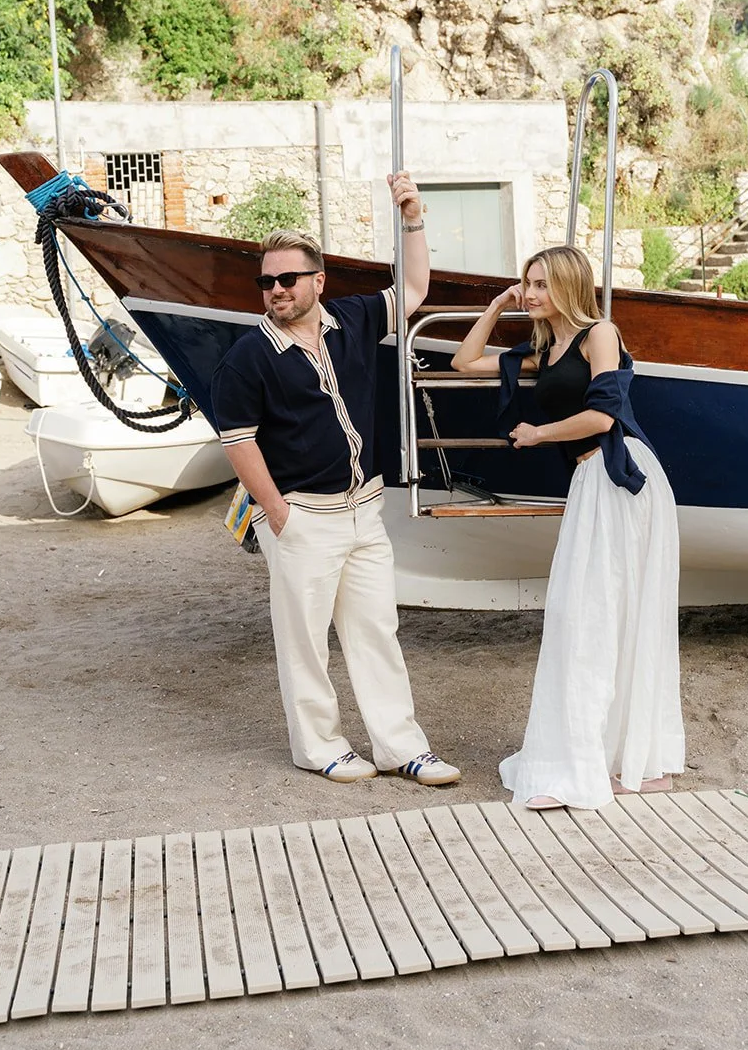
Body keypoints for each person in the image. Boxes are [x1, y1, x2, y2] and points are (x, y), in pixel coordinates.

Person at [211, 173, 460, 788]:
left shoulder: (350, 320)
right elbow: (238, 441)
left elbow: (415, 290)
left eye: (287, 279)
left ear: (317, 281)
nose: (275, 290)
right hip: (302, 516)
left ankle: (401, 747)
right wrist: (276, 512)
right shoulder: (248, 357)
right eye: (266, 281)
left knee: (376, 627)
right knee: (304, 641)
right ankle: (319, 747)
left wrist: (412, 217)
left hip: (362, 510)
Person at [451, 245, 683, 809]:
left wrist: (538, 433)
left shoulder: (599, 333)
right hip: (590, 484)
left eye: (540, 285)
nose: (530, 294)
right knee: (585, 617)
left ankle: (623, 761)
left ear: (569, 286)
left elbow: (604, 416)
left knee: (603, 617)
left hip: (621, 478)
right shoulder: (545, 352)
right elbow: (465, 362)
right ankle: (598, 757)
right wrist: (497, 305)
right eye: (526, 284)